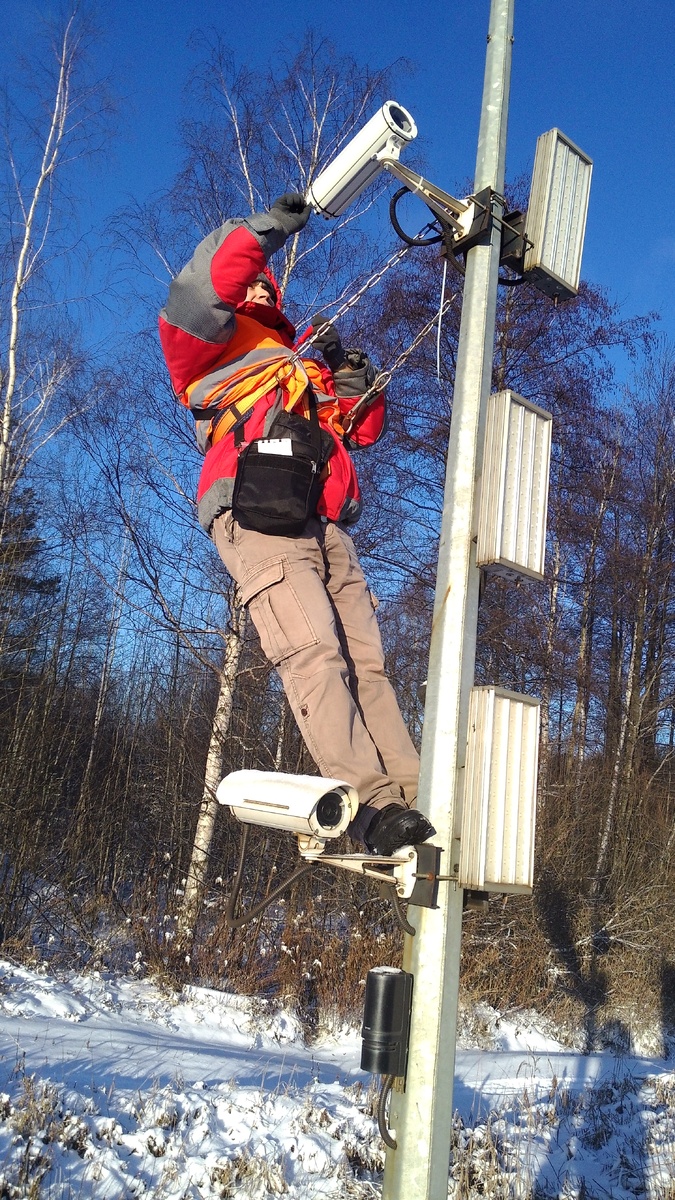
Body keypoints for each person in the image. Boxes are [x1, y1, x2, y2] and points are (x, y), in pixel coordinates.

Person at [159, 192, 434, 855]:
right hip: (258, 508)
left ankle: (414, 795)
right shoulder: (210, 345)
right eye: (251, 278)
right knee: (313, 652)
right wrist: (266, 229)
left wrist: (349, 378)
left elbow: (359, 431)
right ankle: (369, 805)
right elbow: (200, 288)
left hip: (324, 522)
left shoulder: (297, 363)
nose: (258, 283)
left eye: (265, 280)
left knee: (367, 664)